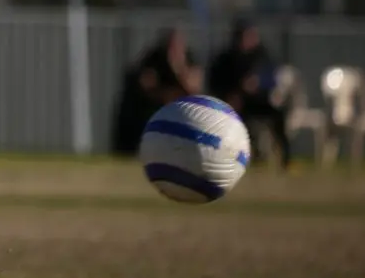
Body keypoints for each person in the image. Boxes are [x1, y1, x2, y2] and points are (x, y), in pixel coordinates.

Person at [208, 18, 290, 169]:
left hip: (258, 100)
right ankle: (247, 157)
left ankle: (286, 159)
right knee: (241, 123)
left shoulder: (261, 55)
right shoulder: (226, 58)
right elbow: (215, 82)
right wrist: (230, 95)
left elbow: (272, 77)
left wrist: (258, 82)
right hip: (235, 103)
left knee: (278, 114)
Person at [112, 27, 203, 155]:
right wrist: (167, 95)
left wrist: (177, 67)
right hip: (154, 108)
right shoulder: (154, 58)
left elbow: (193, 88)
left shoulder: (189, 58)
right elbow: (147, 86)